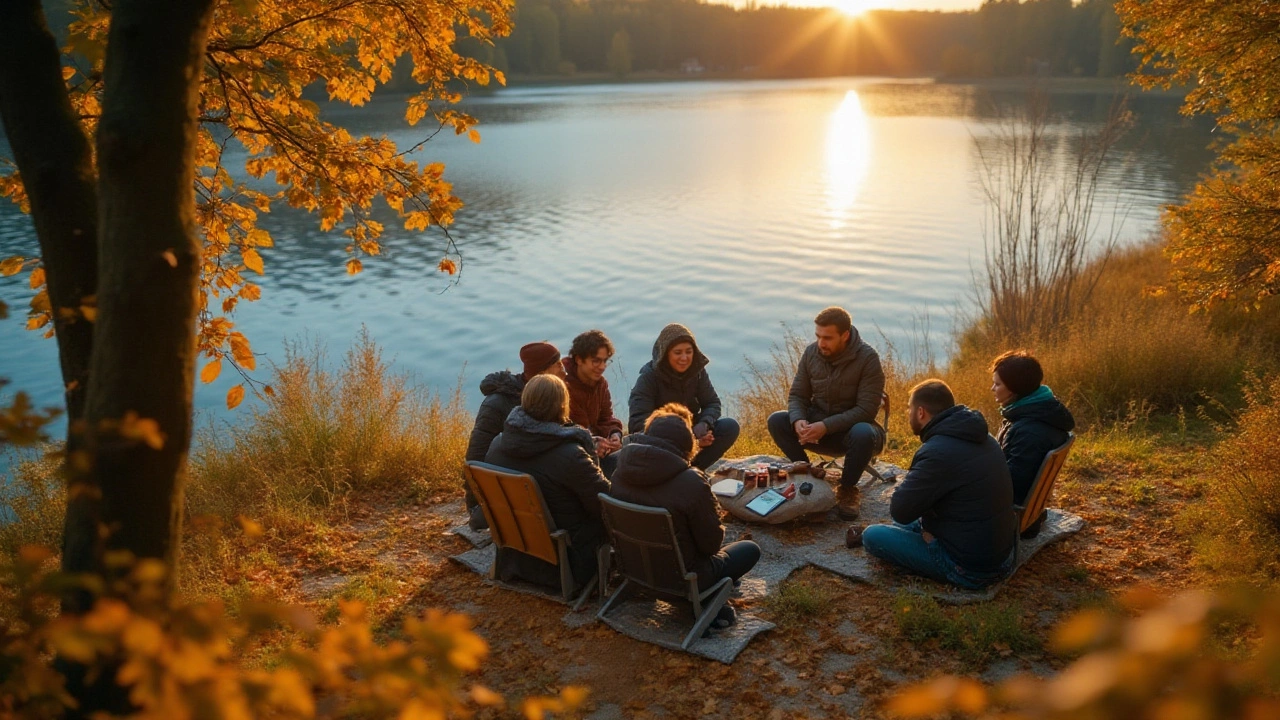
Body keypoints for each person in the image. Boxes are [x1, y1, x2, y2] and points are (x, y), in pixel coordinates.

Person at [609, 403, 760, 629]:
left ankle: (704, 596)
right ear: (686, 444)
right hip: (684, 581)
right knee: (749, 550)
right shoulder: (691, 482)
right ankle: (703, 599)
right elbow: (711, 545)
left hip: (634, 572)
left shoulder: (619, 473)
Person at [861, 380, 1016, 591]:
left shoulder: (937, 452)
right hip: (997, 550)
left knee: (872, 535)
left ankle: (935, 547)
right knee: (906, 523)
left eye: (909, 408)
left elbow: (900, 510)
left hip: (969, 566)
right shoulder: (984, 437)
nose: (908, 413)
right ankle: (929, 535)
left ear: (921, 412)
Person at [483, 374, 610, 591]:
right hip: (567, 561)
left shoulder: (498, 444)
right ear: (562, 406)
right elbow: (605, 505)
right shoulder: (570, 455)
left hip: (516, 555)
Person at [767, 306, 886, 520]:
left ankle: (848, 489)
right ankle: (807, 472)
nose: (821, 343)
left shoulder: (868, 359)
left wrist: (826, 426)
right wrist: (798, 420)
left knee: (862, 432)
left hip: (854, 434)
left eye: (828, 338)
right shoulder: (811, 353)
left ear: (845, 335)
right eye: (818, 336)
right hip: (816, 428)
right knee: (777, 420)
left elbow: (866, 410)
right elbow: (797, 396)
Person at [463, 341, 565, 531]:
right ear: (542, 372)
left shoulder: (549, 398)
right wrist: (478, 505)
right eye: (558, 364)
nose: (564, 370)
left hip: (529, 484)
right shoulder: (497, 405)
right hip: (502, 492)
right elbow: (475, 460)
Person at [628, 323, 740, 470]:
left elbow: (712, 403)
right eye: (678, 352)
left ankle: (694, 469)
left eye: (689, 351)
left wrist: (704, 424)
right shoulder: (648, 378)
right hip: (660, 437)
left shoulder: (697, 372)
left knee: (729, 427)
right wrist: (689, 440)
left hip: (690, 428)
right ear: (665, 353)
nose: (684, 358)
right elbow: (637, 424)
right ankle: (675, 470)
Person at [990, 350, 1075, 538]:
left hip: (1011, 519)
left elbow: (1011, 485)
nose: (992, 388)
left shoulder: (1028, 431)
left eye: (997, 384)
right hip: (1030, 513)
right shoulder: (1042, 413)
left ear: (1013, 389)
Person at [563, 329, 625, 478]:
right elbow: (568, 431)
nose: (602, 367)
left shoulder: (600, 384)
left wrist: (614, 434)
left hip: (597, 449)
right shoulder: (563, 387)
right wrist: (594, 443)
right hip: (572, 459)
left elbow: (606, 418)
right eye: (596, 361)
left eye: (605, 361)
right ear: (579, 359)